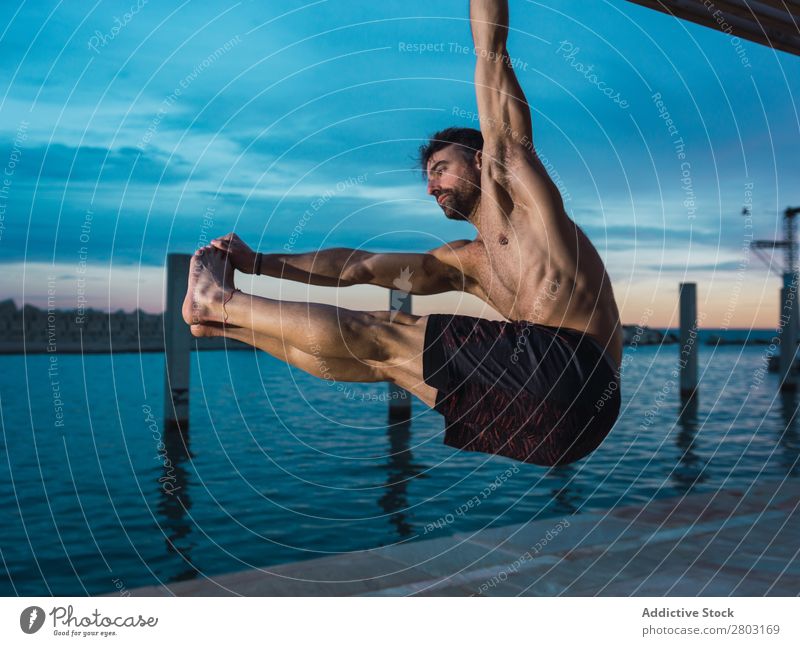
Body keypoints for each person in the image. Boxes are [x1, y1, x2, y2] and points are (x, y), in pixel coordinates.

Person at [183, 0, 622, 466]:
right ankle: (225, 322)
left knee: (385, 332)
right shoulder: (464, 264)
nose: (431, 186)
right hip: (557, 431)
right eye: (428, 179)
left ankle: (219, 303)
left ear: (481, 159)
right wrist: (259, 264)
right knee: (376, 359)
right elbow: (358, 269)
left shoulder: (519, 188)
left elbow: (490, 50)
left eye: (440, 169)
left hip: (579, 374)